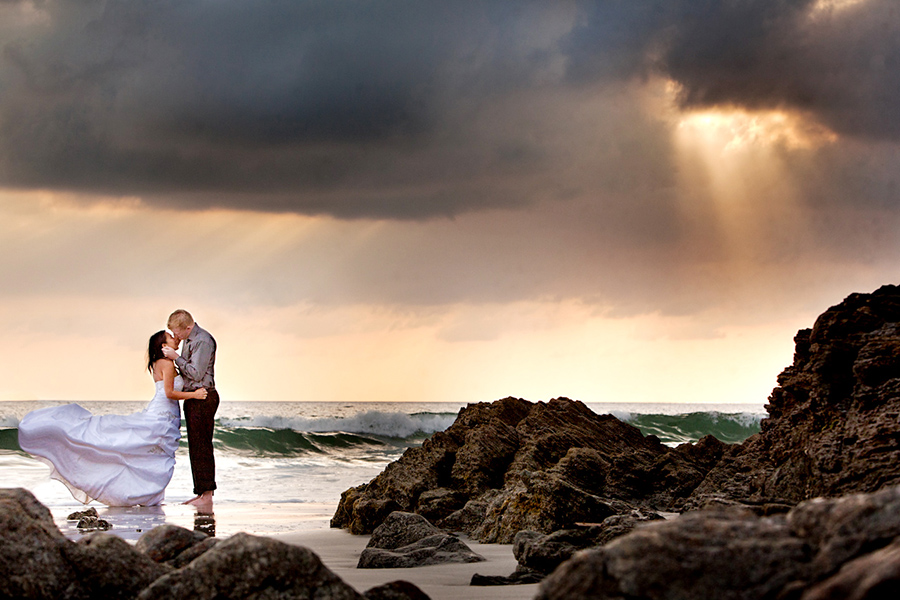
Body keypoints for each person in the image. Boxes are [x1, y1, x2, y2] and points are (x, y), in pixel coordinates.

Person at [17, 331, 207, 506]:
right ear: (162, 345)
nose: (176, 338)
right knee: (145, 452)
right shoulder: (165, 363)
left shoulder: (162, 362)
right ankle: (141, 493)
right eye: (170, 337)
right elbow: (169, 393)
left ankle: (143, 493)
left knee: (147, 453)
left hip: (167, 413)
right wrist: (195, 395)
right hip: (163, 412)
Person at [163, 309, 218, 509]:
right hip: (194, 397)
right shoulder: (189, 340)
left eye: (177, 332)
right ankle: (201, 492)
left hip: (203, 396)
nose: (176, 336)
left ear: (188, 327)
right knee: (195, 447)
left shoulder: (202, 340)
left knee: (202, 446)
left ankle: (207, 494)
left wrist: (176, 357)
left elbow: (195, 373)